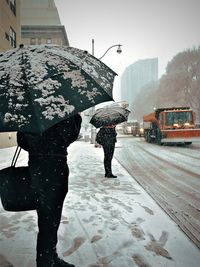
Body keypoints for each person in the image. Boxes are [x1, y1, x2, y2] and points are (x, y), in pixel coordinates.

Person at [17, 114, 82, 267]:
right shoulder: (63, 108)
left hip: (36, 168)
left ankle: (50, 256)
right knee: (50, 219)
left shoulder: (30, 112)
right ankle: (46, 261)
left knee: (45, 217)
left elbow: (21, 141)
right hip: (55, 167)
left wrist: (37, 146)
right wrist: (76, 116)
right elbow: (71, 134)